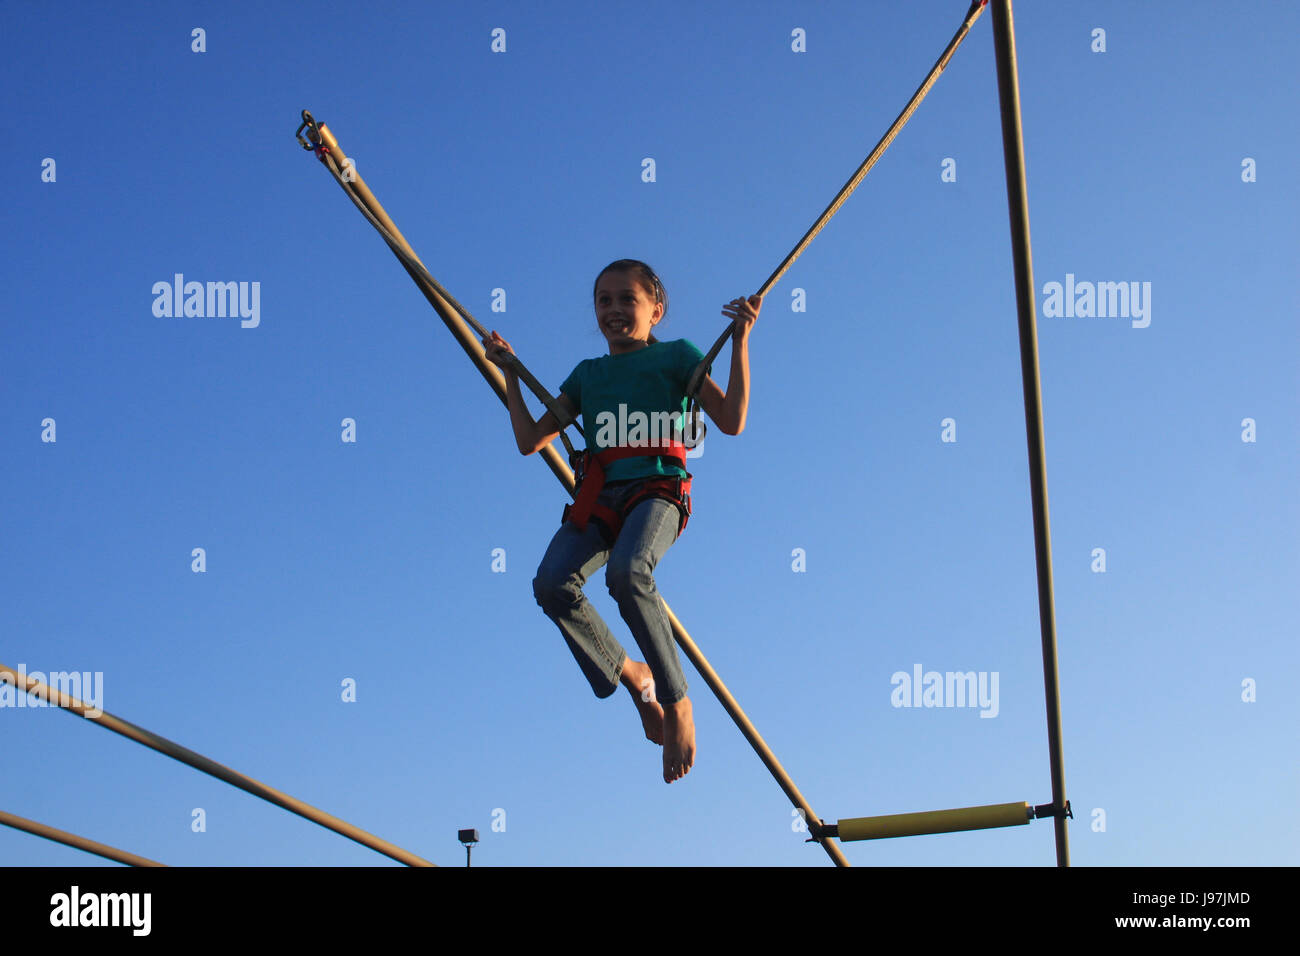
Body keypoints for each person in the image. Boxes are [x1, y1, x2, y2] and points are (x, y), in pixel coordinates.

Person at [481, 259, 760, 783]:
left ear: (656, 310)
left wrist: (740, 341)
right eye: (603, 300)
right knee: (550, 583)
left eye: (626, 299)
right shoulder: (588, 375)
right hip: (601, 497)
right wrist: (509, 373)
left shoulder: (677, 356)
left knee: (628, 572)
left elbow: (731, 420)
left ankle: (676, 700)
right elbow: (530, 439)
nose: (612, 309)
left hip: (658, 489)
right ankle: (632, 673)